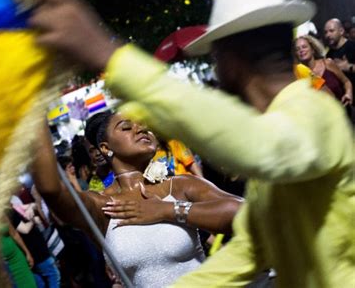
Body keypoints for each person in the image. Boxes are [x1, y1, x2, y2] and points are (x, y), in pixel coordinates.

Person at [28, 0, 354, 288]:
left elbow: (260, 148)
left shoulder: (313, 114)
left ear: (229, 59)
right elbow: (248, 250)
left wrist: (108, 55)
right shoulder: (287, 125)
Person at [32, 110, 242, 287]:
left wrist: (166, 210)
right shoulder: (102, 205)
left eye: (143, 125)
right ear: (105, 148)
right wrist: (33, 111)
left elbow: (242, 212)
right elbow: (52, 190)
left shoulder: (178, 185)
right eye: (126, 127)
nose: (141, 129)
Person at [294, 35, 353, 105]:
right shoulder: (297, 75)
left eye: (304, 47)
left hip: (345, 109)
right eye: (297, 49)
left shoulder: (328, 63)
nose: (301, 50)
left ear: (312, 50)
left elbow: (346, 81)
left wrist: (348, 94)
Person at [324, 18, 355, 95]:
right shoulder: (329, 54)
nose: (328, 35)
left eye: (331, 31)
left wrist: (349, 67)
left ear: (341, 31)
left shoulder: (353, 46)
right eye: (326, 32)